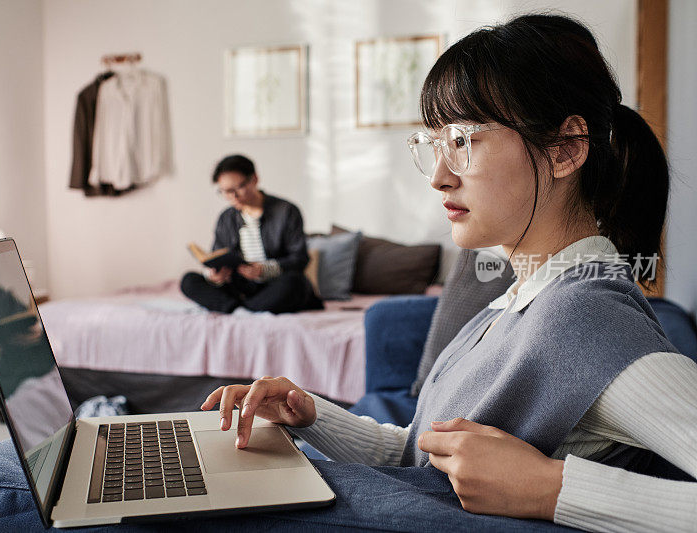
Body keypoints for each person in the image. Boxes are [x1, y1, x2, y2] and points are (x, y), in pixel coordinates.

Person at [199, 14, 697, 532]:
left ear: (566, 148)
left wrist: (552, 489)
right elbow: (420, 453)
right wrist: (312, 415)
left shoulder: (587, 318)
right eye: (434, 144)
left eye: (463, 140)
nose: (439, 176)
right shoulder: (518, 303)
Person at [181, 154, 322, 314]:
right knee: (189, 280)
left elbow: (300, 259)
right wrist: (213, 274)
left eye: (238, 188)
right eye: (226, 191)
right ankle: (242, 310)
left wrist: (264, 269)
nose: (234, 197)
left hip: (273, 285)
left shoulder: (286, 211)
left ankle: (238, 308)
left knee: (296, 283)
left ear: (254, 179)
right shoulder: (226, 218)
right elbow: (217, 256)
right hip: (238, 287)